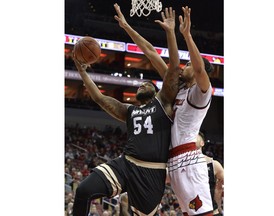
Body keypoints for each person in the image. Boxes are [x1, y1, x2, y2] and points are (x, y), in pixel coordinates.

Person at [72, 4, 180, 215]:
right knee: (84, 190)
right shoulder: (130, 111)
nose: (141, 85)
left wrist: (126, 26)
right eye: (139, 85)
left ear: (156, 89)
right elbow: (100, 99)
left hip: (151, 172)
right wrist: (82, 71)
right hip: (126, 164)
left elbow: (151, 53)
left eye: (146, 84)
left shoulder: (164, 101)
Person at [114, 4, 214, 216]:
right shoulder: (176, 89)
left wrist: (186, 35)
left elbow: (198, 68)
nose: (185, 66)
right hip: (173, 162)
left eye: (188, 64)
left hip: (189, 160)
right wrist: (126, 27)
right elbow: (151, 53)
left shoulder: (201, 93)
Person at [196, 132, 224, 216]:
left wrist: (219, 206)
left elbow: (221, 186)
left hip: (211, 212)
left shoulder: (213, 164)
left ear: (202, 143)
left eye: (195, 136)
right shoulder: (181, 165)